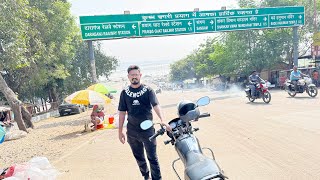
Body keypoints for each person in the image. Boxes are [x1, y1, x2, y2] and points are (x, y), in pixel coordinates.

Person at [118, 65, 170, 180]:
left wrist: (163, 120)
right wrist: (120, 131)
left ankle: (157, 178)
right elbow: (122, 112)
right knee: (139, 157)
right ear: (128, 77)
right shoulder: (124, 93)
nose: (134, 77)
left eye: (136, 74)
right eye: (132, 75)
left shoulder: (148, 90)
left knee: (152, 157)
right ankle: (146, 176)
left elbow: (156, 105)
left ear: (140, 75)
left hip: (148, 130)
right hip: (132, 131)